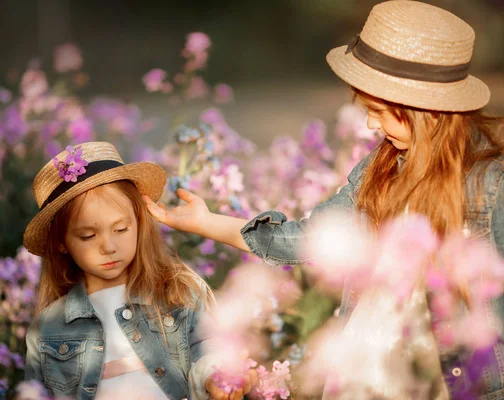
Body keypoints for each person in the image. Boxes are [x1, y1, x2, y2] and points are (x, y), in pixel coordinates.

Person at [143, 1, 504, 397]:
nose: (370, 123)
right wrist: (204, 222)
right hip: (373, 371)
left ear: (429, 113)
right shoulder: (378, 170)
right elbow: (308, 239)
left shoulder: (491, 183)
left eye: (381, 112)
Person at [22, 142, 255, 399]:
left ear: (139, 221)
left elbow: (207, 349)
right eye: (88, 236)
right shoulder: (48, 327)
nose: (108, 247)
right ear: (62, 243)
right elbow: (36, 392)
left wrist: (218, 377)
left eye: (121, 229)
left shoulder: (176, 292)